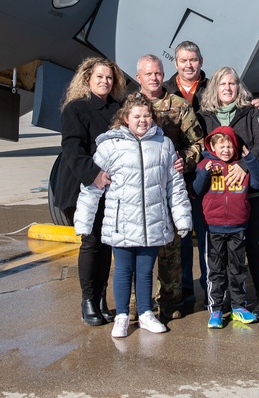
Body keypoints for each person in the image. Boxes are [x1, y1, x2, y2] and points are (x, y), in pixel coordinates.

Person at [73, 93, 192, 338]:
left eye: (147, 115)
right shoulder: (109, 146)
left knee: (146, 269)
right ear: (125, 118)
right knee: (124, 270)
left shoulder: (163, 144)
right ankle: (122, 316)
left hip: (152, 220)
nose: (142, 120)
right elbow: (92, 187)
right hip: (122, 221)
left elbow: (175, 186)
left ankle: (146, 313)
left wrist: (182, 219)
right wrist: (83, 222)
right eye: (136, 116)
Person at [162, 40, 259, 301]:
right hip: (179, 176)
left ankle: (214, 292)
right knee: (181, 239)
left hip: (212, 181)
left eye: (193, 60)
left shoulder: (213, 89)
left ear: (201, 61)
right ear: (175, 63)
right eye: (183, 60)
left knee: (212, 238)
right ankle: (184, 291)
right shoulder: (165, 93)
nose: (189, 65)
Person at [53, 56, 128, 326]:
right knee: (92, 242)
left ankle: (100, 299)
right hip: (82, 186)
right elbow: (73, 148)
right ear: (88, 79)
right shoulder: (75, 109)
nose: (105, 82)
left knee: (106, 243)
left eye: (109, 78)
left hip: (109, 187)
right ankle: (87, 301)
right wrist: (93, 175)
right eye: (100, 77)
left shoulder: (118, 109)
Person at [198, 66, 259, 319]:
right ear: (215, 88)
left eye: (232, 83)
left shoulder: (252, 112)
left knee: (254, 245)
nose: (228, 88)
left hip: (249, 192)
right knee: (221, 255)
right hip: (220, 196)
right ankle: (225, 302)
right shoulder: (206, 115)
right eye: (222, 84)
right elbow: (201, 146)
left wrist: (244, 164)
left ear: (238, 87)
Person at [134, 54, 205, 320]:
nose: (154, 78)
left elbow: (199, 143)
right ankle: (137, 303)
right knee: (136, 249)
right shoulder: (130, 107)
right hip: (138, 191)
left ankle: (171, 301)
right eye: (148, 74)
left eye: (157, 73)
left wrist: (183, 161)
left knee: (171, 249)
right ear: (138, 77)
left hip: (169, 189)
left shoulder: (178, 106)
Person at [192, 126, 259, 328]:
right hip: (214, 228)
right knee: (215, 271)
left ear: (235, 148)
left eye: (229, 146)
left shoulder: (241, 167)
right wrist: (204, 174)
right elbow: (196, 190)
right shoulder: (206, 165)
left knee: (237, 270)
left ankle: (238, 307)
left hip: (237, 227)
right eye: (221, 146)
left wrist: (250, 160)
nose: (226, 150)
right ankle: (215, 310)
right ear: (213, 148)